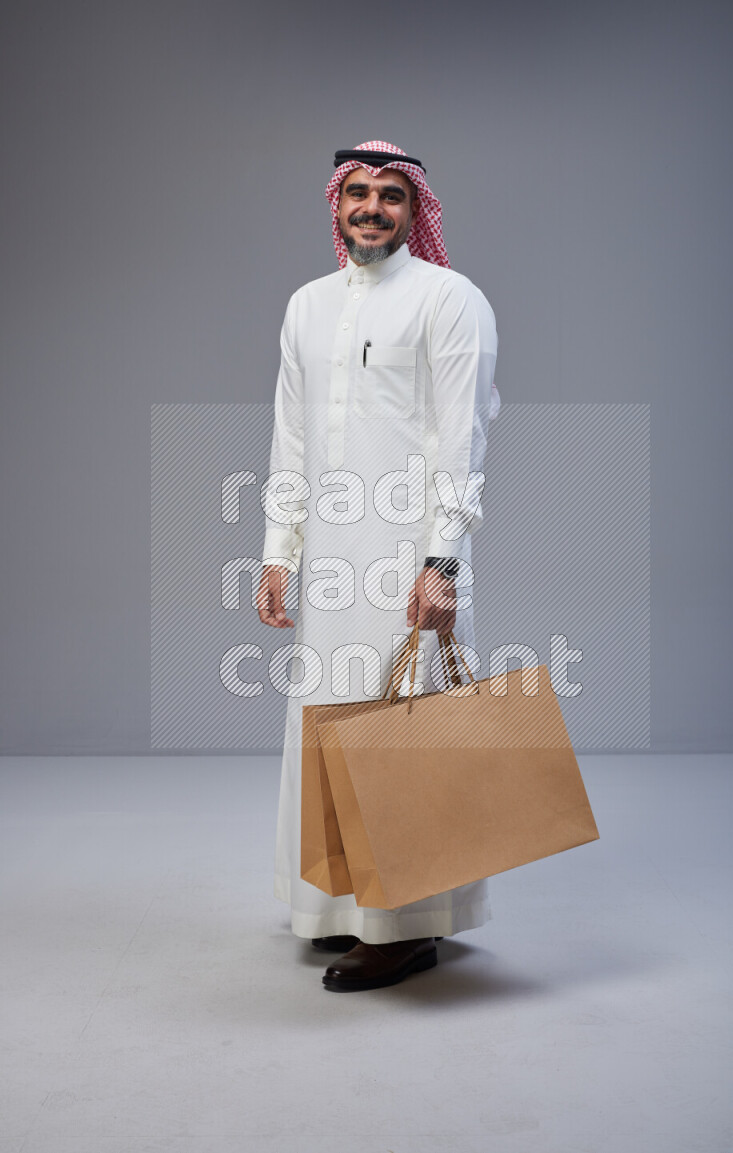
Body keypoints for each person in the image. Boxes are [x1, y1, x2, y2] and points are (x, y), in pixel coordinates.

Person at [257, 140, 500, 991]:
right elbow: (291, 434)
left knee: (405, 733)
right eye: (357, 193)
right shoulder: (307, 306)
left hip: (407, 555)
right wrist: (278, 552)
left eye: (390, 195)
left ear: (413, 208)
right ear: (336, 204)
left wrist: (443, 562)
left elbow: (462, 438)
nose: (371, 208)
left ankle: (406, 926)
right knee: (329, 724)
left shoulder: (449, 299)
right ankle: (347, 907)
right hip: (329, 558)